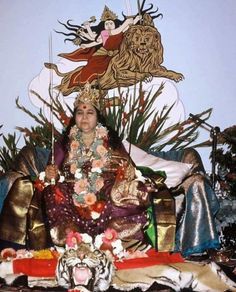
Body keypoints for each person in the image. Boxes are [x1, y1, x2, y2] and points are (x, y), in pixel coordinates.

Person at [0, 84, 220, 256]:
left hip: (106, 188)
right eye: (79, 112)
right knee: (53, 193)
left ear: (98, 117)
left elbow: (128, 169)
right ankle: (72, 242)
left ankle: (109, 241)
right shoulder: (63, 144)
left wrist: (124, 179)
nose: (84, 117)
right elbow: (51, 174)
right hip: (70, 190)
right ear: (74, 118)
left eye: (89, 113)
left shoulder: (112, 142)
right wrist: (50, 175)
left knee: (125, 196)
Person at [46, 6, 142, 96]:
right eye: (106, 24)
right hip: (102, 56)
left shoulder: (121, 30)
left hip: (117, 55)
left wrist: (136, 19)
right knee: (91, 72)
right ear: (104, 26)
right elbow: (97, 41)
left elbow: (127, 27)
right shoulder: (105, 33)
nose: (109, 25)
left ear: (115, 24)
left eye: (111, 23)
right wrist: (87, 44)